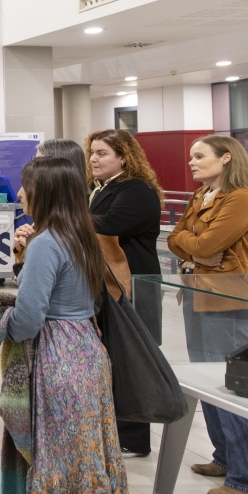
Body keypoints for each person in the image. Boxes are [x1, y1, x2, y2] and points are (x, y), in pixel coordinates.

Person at [5, 157, 131, 494]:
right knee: (89, 453)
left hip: (57, 356)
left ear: (45, 192)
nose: (21, 193)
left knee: (56, 455)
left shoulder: (47, 242)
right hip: (88, 350)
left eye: (26, 185)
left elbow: (28, 318)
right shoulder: (81, 235)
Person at [167, 135, 248, 494]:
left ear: (226, 158)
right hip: (197, 294)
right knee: (207, 383)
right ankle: (224, 457)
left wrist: (198, 246)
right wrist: (199, 246)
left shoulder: (242, 199)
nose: (192, 162)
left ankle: (244, 477)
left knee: (231, 386)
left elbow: (207, 246)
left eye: (200, 156)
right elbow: (174, 239)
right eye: (191, 157)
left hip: (229, 299)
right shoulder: (200, 197)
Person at [83, 129, 164, 459]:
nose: (93, 159)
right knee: (112, 358)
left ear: (124, 157)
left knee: (132, 359)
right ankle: (115, 431)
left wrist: (71, 218)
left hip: (134, 284)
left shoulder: (137, 189)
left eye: (102, 153)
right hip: (108, 283)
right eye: (92, 153)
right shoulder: (99, 188)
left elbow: (109, 223)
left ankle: (134, 438)